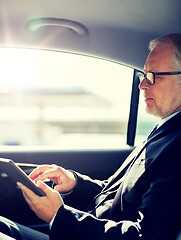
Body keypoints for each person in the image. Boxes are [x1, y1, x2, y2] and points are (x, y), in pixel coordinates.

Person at [0, 33, 181, 240]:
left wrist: (60, 216)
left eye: (153, 76)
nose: (142, 85)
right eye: (143, 75)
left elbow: (146, 236)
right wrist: (74, 182)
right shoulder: (164, 132)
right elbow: (114, 194)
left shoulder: (177, 145)